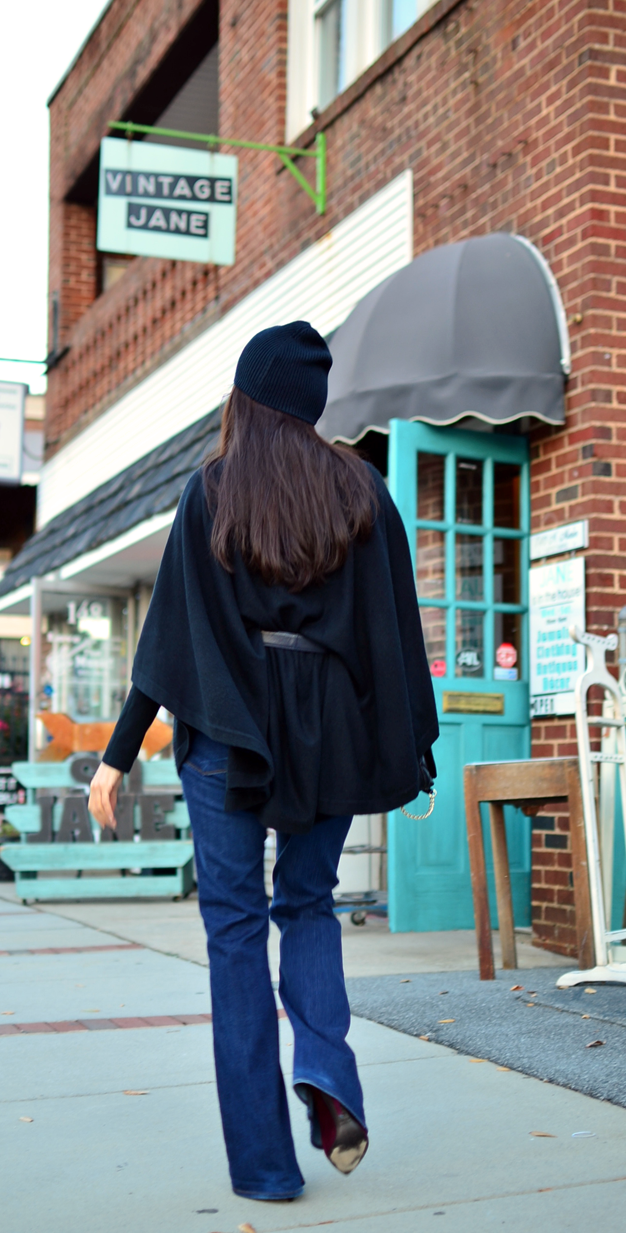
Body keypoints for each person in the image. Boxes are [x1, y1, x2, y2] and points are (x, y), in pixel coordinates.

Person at [88, 321, 438, 1202]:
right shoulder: (364, 492)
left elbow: (167, 634)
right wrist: (410, 745)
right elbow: (394, 632)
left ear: (245, 398)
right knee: (310, 905)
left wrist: (117, 755)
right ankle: (326, 1067)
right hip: (330, 733)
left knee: (236, 935)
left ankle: (267, 1167)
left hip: (230, 730)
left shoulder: (212, 492)